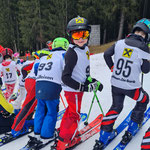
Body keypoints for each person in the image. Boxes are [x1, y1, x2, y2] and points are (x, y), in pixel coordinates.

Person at [93, 18, 150, 149]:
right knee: (144, 99)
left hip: (116, 84)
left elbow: (107, 54)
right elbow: (145, 70)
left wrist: (112, 68)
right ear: (146, 34)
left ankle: (103, 137)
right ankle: (132, 128)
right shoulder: (144, 47)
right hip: (131, 87)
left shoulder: (119, 42)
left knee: (116, 106)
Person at [51, 16, 103, 150]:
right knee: (75, 115)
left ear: (88, 34)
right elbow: (65, 77)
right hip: (72, 89)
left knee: (70, 111)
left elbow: (83, 71)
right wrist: (82, 87)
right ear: (70, 36)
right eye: (76, 34)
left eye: (84, 34)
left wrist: (93, 81)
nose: (80, 38)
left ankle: (63, 133)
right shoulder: (72, 53)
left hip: (77, 88)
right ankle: (66, 140)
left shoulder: (84, 49)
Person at [23, 37, 69, 149]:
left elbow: (36, 67)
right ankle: (47, 135)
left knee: (40, 109)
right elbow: (67, 69)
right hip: (52, 85)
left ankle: (37, 133)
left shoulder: (46, 55)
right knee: (51, 111)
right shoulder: (64, 54)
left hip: (40, 83)